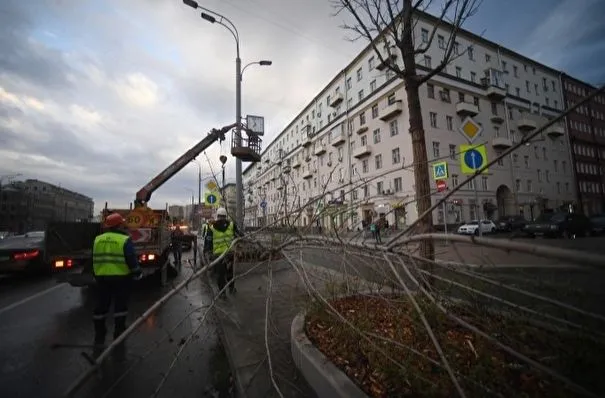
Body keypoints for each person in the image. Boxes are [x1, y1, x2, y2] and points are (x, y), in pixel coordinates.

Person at [92, 212, 142, 353]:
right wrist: (137, 272)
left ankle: (99, 332)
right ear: (120, 224)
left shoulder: (98, 239)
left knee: (101, 305)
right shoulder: (124, 239)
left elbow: (93, 258)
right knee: (120, 305)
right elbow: (130, 258)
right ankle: (119, 331)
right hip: (121, 278)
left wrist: (95, 274)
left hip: (102, 277)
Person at [206, 207, 241, 299]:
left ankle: (222, 293)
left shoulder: (212, 227)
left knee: (220, 274)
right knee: (230, 272)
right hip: (229, 254)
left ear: (217, 216)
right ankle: (232, 288)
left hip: (218, 255)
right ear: (226, 216)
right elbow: (240, 235)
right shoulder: (231, 225)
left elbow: (208, 242)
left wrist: (208, 253)